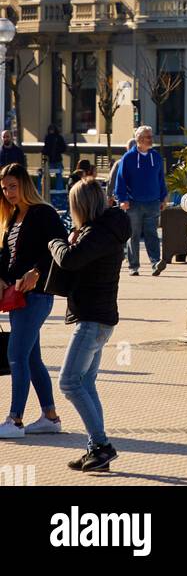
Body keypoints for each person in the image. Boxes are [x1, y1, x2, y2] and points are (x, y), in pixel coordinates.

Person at [47, 178, 131, 472]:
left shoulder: (98, 233)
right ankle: (95, 450)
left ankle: (103, 446)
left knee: (69, 382)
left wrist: (54, 241)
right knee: (86, 383)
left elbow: (69, 260)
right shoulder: (107, 229)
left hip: (92, 319)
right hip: (100, 318)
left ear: (81, 206)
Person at [0, 162, 67, 438]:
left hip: (37, 296)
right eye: (4, 189)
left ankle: (15, 420)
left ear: (25, 184)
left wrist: (37, 270)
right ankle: (50, 417)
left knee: (16, 356)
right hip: (16, 297)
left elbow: (61, 245)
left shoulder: (43, 213)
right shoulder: (12, 216)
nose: (8, 193)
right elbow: (6, 256)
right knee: (32, 358)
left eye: (12, 187)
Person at [114, 126, 168, 277]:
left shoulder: (156, 157)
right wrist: (122, 199)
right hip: (133, 203)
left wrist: (163, 197)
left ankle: (155, 263)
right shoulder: (128, 158)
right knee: (134, 235)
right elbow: (121, 180)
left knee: (152, 233)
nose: (151, 139)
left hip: (153, 202)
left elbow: (160, 179)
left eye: (151, 136)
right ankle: (133, 266)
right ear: (138, 139)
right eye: (147, 137)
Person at [107, 139, 135, 206]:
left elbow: (112, 180)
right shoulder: (144, 163)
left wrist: (109, 195)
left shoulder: (119, 163)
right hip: (141, 200)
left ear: (127, 148)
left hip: (123, 200)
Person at [41, 124, 66, 192]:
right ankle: (47, 188)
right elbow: (46, 147)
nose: (51, 131)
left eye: (52, 130)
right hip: (50, 159)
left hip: (56, 159)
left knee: (58, 175)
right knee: (48, 175)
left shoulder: (58, 137)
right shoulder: (48, 137)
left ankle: (59, 189)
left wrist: (56, 149)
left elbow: (63, 148)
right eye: (50, 130)